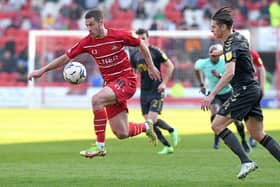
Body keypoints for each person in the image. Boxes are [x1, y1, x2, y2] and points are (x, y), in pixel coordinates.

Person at [28, 9, 161, 158]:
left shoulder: (118, 35)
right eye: (87, 25)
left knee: (96, 100)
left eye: (91, 24)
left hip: (126, 81)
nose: (89, 28)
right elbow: (66, 58)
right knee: (121, 132)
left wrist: (151, 66)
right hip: (110, 86)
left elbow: (141, 43)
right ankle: (146, 126)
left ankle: (99, 146)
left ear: (100, 22)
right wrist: (42, 70)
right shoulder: (87, 42)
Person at [201, 7, 280, 179]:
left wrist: (212, 94)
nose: (211, 29)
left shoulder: (230, 43)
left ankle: (246, 161)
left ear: (223, 27)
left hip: (244, 91)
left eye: (214, 26)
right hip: (253, 89)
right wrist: (222, 51)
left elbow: (229, 73)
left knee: (217, 125)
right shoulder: (238, 37)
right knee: (258, 135)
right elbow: (239, 49)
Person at [130, 28, 180, 155]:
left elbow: (170, 66)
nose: (141, 41)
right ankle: (168, 144)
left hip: (157, 89)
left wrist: (164, 83)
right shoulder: (134, 54)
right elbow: (134, 71)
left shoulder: (156, 51)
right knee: (150, 124)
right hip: (144, 91)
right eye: (138, 38)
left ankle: (171, 131)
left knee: (151, 120)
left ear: (148, 38)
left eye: (143, 38)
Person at [194, 44, 250, 153]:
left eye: (216, 55)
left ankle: (243, 140)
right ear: (209, 55)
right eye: (212, 55)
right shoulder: (203, 63)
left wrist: (219, 75)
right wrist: (201, 83)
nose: (214, 57)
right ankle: (216, 138)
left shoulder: (226, 63)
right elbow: (196, 69)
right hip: (214, 94)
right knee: (214, 112)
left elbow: (231, 77)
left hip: (227, 92)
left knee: (236, 121)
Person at [248, 49, 267, 147]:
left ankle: (255, 136)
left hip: (253, 88)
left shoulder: (253, 53)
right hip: (241, 88)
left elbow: (261, 68)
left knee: (254, 112)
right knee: (247, 114)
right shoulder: (232, 51)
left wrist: (262, 86)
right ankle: (255, 135)